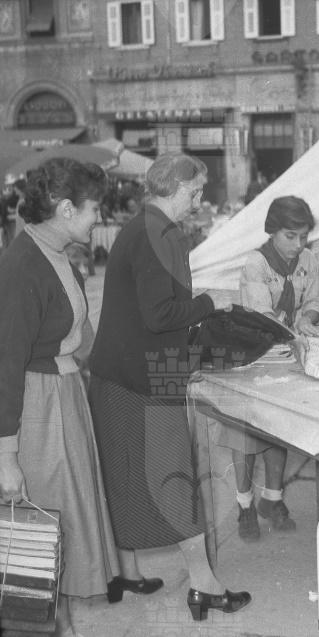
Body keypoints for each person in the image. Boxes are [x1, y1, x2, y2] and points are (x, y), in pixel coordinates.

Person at [88, 152, 251, 620]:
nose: (199, 202)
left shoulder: (142, 227)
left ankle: (128, 573)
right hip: (141, 380)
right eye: (196, 192)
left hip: (122, 375)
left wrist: (181, 362)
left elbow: (148, 314)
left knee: (125, 477)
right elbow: (161, 315)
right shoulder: (160, 233)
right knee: (173, 479)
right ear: (177, 187)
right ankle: (204, 585)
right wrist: (210, 302)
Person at [0, 158, 120, 636]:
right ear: (66, 208)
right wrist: (6, 457)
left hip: (62, 399)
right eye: (94, 209)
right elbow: (5, 364)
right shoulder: (23, 265)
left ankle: (61, 627)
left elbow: (76, 336)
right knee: (42, 538)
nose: (98, 218)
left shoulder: (54, 254)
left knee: (59, 532)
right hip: (38, 409)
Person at [230, 195, 319, 541]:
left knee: (277, 426)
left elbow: (315, 299)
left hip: (286, 354)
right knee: (245, 432)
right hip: (254, 353)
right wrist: (293, 334)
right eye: (290, 236)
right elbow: (261, 315)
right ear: (272, 231)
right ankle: (244, 504)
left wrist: (308, 319)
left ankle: (272, 499)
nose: (298, 245)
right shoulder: (255, 264)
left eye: (304, 237)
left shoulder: (308, 260)